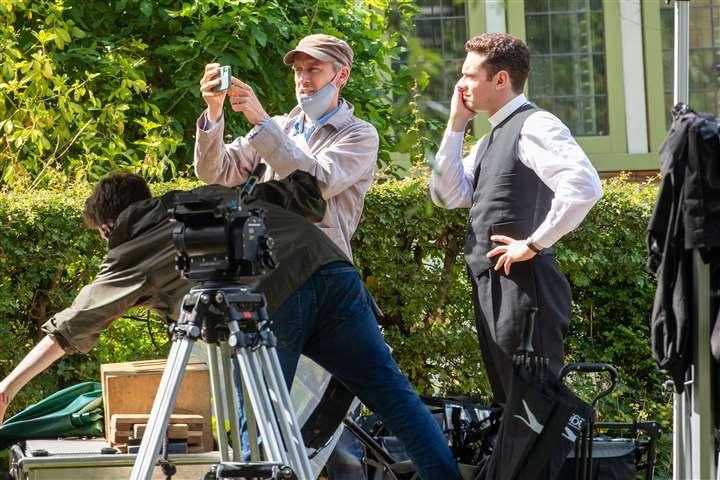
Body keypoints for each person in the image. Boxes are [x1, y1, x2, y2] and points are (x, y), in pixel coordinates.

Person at [0, 172, 462, 480]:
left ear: (107, 227)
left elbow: (73, 323)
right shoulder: (204, 198)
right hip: (331, 269)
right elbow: (302, 194)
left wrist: (8, 387)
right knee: (393, 397)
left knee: (256, 427)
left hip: (272, 296)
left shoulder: (132, 250)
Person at [429, 33, 603, 403]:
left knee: (533, 407)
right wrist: (456, 125)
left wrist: (534, 243)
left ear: (501, 79)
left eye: (470, 75)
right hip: (496, 286)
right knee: (512, 403)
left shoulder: (535, 125)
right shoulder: (490, 139)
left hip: (525, 288)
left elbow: (584, 185)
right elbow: (446, 195)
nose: (460, 85)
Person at [195, 33, 378, 259]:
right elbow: (213, 172)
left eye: (314, 69)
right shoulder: (278, 127)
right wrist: (214, 111)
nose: (303, 79)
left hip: (318, 265)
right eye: (298, 70)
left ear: (342, 75)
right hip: (263, 263)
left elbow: (317, 184)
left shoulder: (360, 135)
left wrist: (263, 121)